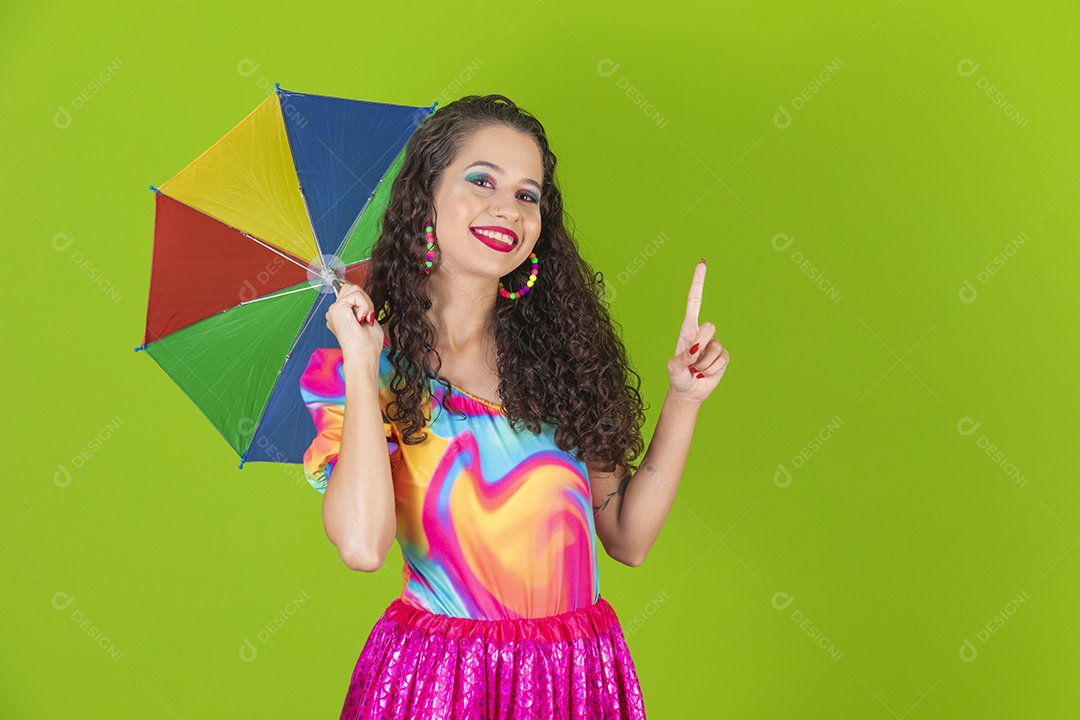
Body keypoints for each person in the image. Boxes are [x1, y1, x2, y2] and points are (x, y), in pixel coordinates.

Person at [298, 94, 729, 719]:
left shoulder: (564, 360)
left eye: (529, 195)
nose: (509, 207)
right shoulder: (363, 367)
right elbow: (363, 547)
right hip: (443, 682)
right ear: (426, 198)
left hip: (574, 675)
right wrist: (364, 368)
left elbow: (628, 538)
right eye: (481, 180)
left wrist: (685, 400)